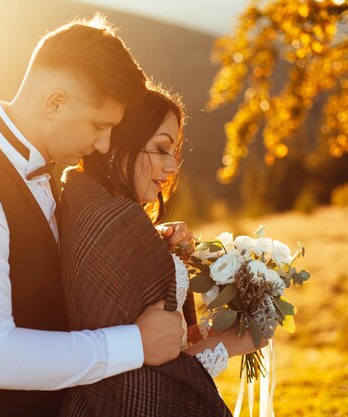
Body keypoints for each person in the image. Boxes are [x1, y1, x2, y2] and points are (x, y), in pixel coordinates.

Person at [0, 17, 186, 417]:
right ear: (55, 102)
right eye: (99, 125)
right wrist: (135, 343)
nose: (104, 144)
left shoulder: (44, 169)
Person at [59, 87, 266, 416]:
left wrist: (156, 242)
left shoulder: (108, 213)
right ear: (118, 145)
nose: (172, 167)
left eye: (175, 152)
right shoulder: (111, 223)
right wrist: (225, 345)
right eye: (160, 149)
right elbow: (127, 375)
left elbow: (156, 338)